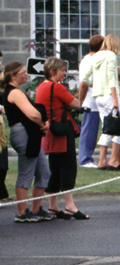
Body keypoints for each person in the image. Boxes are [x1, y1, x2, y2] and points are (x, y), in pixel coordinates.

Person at [36, 57, 85, 218]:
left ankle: (53, 205)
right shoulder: (56, 87)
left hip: (50, 132)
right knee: (68, 167)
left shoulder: (41, 87)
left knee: (55, 168)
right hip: (62, 132)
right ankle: (70, 205)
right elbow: (76, 104)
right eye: (62, 70)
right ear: (52, 71)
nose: (65, 73)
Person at [4, 60, 52, 222]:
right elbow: (32, 114)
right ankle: (22, 211)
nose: (26, 74)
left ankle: (36, 209)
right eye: (23, 72)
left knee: (43, 171)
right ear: (13, 76)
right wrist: (42, 124)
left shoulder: (18, 91)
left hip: (29, 133)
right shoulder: (14, 92)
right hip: (22, 132)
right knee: (26, 171)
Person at [90, 34, 120, 170]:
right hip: (109, 95)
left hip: (98, 96)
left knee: (106, 128)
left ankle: (102, 160)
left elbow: (86, 76)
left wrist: (94, 85)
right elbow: (111, 78)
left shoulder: (95, 56)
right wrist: (115, 99)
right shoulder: (111, 56)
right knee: (119, 127)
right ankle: (114, 160)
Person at [76, 34, 103, 168]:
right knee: (89, 130)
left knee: (93, 130)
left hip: (97, 99)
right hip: (91, 101)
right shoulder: (88, 61)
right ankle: (84, 159)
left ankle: (87, 157)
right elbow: (84, 83)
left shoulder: (95, 59)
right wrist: (80, 102)